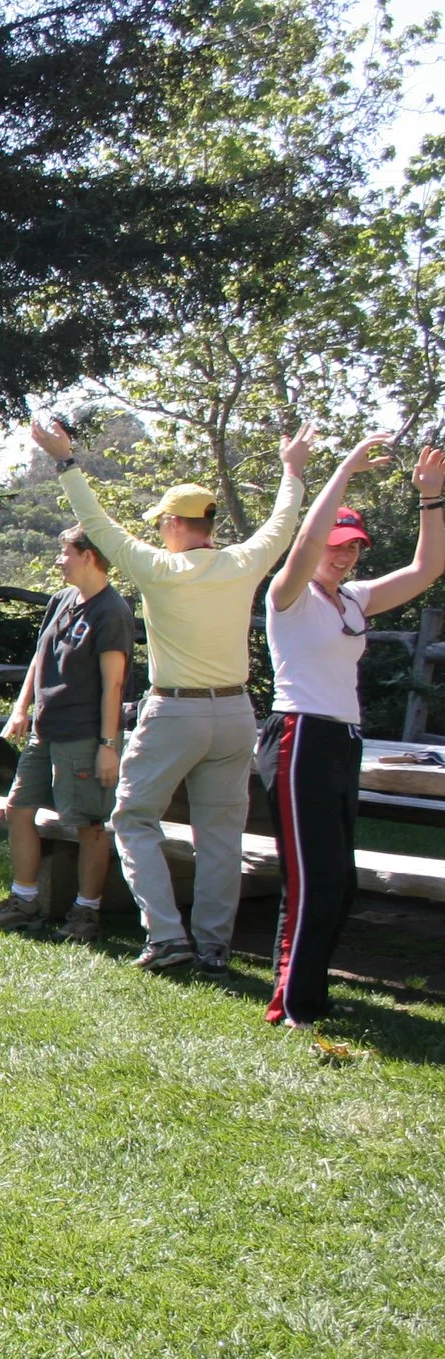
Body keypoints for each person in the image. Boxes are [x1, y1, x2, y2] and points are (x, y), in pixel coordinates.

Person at [30, 416, 309, 974]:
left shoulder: (158, 568)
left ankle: (165, 937)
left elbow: (96, 523)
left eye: (162, 523)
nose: (159, 532)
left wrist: (66, 461)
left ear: (177, 525)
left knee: (132, 819)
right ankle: (212, 946)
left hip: (175, 709)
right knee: (222, 837)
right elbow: (283, 523)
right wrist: (292, 471)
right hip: (235, 714)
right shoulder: (243, 561)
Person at [259, 436, 445, 1027]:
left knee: (340, 878)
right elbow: (307, 541)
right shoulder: (288, 597)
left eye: (353, 549)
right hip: (299, 737)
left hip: (341, 740)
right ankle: (292, 1005)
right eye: (336, 548)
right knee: (311, 878)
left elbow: (428, 568)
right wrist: (344, 469)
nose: (342, 558)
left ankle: (309, 993)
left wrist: (431, 499)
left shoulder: (353, 601)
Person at [0, 526, 133, 939]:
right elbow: (39, 657)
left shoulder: (111, 611)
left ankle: (87, 912)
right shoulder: (62, 600)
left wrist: (107, 745)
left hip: (84, 734)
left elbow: (114, 684)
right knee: (18, 808)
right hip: (44, 730)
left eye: (64, 552)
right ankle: (25, 900)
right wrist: (20, 709)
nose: (58, 559)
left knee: (88, 823)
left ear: (88, 555)